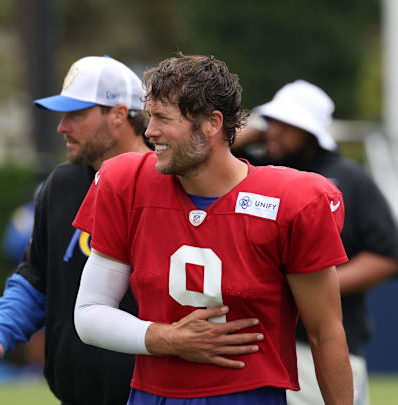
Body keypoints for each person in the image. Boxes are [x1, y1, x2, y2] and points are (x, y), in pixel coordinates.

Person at [72, 53, 354, 404]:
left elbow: (325, 332)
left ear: (211, 123)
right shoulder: (125, 181)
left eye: (162, 118)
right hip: (152, 395)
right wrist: (169, 338)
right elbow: (88, 313)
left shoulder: (293, 199)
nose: (149, 132)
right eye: (149, 117)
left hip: (248, 395)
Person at [0, 55, 263, 404]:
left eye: (76, 115)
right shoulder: (61, 185)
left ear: (119, 115)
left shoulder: (180, 180)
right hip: (76, 396)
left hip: (159, 393)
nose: (62, 127)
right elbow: (34, 280)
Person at [232, 80, 398, 405]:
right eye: (271, 121)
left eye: (287, 124)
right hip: (260, 346)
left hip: (318, 350)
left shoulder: (350, 179)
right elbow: (212, 149)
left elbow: (388, 256)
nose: (274, 130)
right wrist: (261, 130)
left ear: (310, 131)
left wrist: (312, 289)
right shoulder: (258, 171)